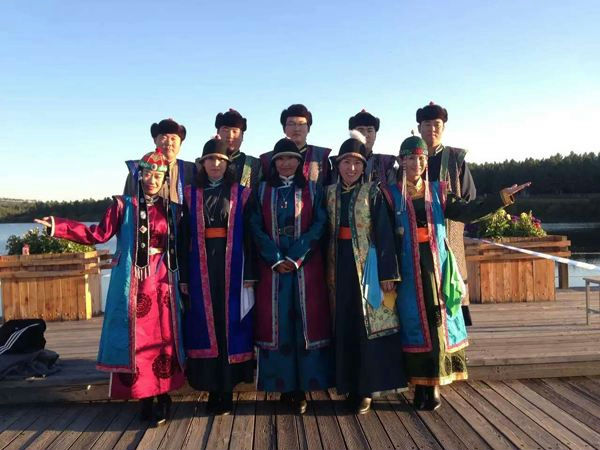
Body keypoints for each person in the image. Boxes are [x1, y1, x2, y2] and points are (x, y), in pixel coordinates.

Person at [36, 149, 185, 425]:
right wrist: (58, 227)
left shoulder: (173, 209)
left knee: (165, 339)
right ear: (140, 175)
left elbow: (184, 245)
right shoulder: (123, 206)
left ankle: (164, 396)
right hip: (133, 281)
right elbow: (97, 234)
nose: (152, 180)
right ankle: (144, 397)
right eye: (148, 174)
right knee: (137, 339)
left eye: (158, 176)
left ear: (165, 179)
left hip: (163, 281)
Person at [385, 136, 529, 411]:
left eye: (421, 158)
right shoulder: (390, 195)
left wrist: (501, 197)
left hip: (436, 267)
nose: (416, 163)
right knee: (413, 324)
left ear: (426, 162)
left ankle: (435, 383)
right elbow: (383, 235)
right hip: (406, 269)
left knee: (438, 322)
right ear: (402, 161)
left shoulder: (439, 192)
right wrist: (388, 273)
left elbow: (468, 211)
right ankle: (418, 384)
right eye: (411, 158)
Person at [325, 131, 406, 414]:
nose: (351, 168)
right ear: (338, 165)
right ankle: (347, 384)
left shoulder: (373, 192)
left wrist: (388, 274)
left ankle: (366, 389)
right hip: (337, 266)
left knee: (366, 327)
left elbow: (384, 233)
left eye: (357, 163)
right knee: (343, 325)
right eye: (346, 162)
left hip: (366, 268)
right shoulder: (329, 193)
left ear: (364, 167)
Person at [250, 138, 332, 414]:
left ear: (300, 162)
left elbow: (320, 224)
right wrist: (274, 257)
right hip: (272, 269)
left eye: (291, 158)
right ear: (273, 164)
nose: (286, 163)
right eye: (281, 159)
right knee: (279, 325)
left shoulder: (313, 189)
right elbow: (255, 226)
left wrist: (296, 256)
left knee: (305, 323)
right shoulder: (262, 191)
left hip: (305, 266)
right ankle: (283, 387)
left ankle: (303, 388)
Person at [178, 137, 255, 415]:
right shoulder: (190, 194)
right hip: (200, 268)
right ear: (202, 164)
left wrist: (250, 273)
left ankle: (227, 388)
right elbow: (183, 238)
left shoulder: (242, 194)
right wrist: (184, 276)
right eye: (209, 159)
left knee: (229, 324)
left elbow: (251, 236)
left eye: (220, 160)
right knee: (204, 324)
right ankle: (212, 389)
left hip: (232, 266)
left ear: (227, 164)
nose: (215, 164)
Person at [417, 102, 476, 324]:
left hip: (448, 236)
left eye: (437, 124)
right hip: (418, 240)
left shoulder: (455, 158)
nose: (432, 129)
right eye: (427, 124)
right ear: (419, 127)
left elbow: (469, 197)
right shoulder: (410, 158)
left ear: (444, 127)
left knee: (452, 295)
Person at [124, 118, 195, 204]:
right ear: (155, 140)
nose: (169, 143)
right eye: (164, 137)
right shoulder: (137, 169)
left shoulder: (191, 170)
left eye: (173, 139)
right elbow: (126, 204)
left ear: (180, 143)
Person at [259, 104, 331, 184]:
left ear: (308, 128)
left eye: (301, 124)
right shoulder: (268, 159)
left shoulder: (321, 157)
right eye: (291, 124)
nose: (297, 129)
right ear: (284, 129)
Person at [330, 110, 396, 183]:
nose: (365, 135)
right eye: (361, 130)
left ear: (375, 134)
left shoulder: (385, 164)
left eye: (369, 130)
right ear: (352, 133)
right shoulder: (337, 163)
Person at [215, 109, 262, 190]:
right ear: (217, 133)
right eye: (225, 130)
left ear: (242, 136)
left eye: (235, 131)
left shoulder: (255, 165)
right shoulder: (204, 164)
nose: (230, 135)